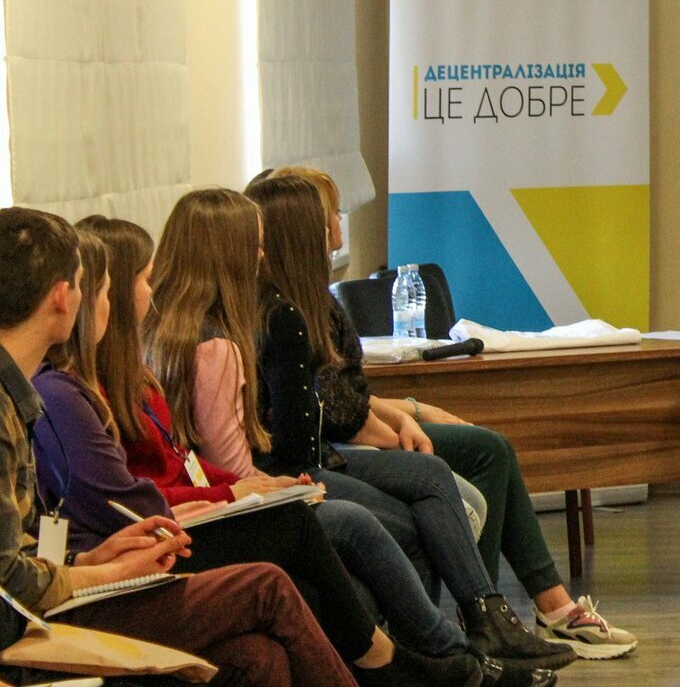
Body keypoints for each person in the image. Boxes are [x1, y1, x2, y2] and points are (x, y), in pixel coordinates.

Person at [30, 224, 512, 687]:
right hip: (138, 547)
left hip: (169, 523)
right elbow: (131, 502)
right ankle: (413, 656)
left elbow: (183, 461)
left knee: (268, 641)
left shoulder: (126, 376)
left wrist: (243, 488)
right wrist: (236, 493)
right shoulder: (66, 393)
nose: (148, 294)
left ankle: (438, 649)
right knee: (320, 527)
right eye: (140, 281)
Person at [146, 187, 574, 672]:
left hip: (253, 482)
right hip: (259, 485)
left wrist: (401, 415)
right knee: (419, 505)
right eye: (256, 246)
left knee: (449, 469)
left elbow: (334, 403)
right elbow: (277, 446)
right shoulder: (240, 334)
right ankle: (447, 655)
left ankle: (470, 639)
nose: (338, 225)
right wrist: (394, 424)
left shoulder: (186, 330)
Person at [269, 164, 638, 659]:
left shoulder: (316, 296)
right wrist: (401, 431)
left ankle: (524, 612)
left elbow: (346, 392)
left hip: (352, 435)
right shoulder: (287, 311)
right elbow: (339, 412)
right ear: (306, 226)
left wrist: (411, 411)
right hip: (335, 450)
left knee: (490, 448)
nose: (340, 221)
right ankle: (496, 616)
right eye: (332, 212)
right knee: (483, 454)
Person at [0, 206, 360, 687]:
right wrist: (107, 572)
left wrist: (87, 560)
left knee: (257, 656)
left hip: (52, 590)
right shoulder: (30, 400)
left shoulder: (23, 394)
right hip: (27, 628)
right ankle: (384, 660)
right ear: (62, 297)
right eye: (91, 286)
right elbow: (13, 586)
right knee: (269, 583)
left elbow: (24, 550)